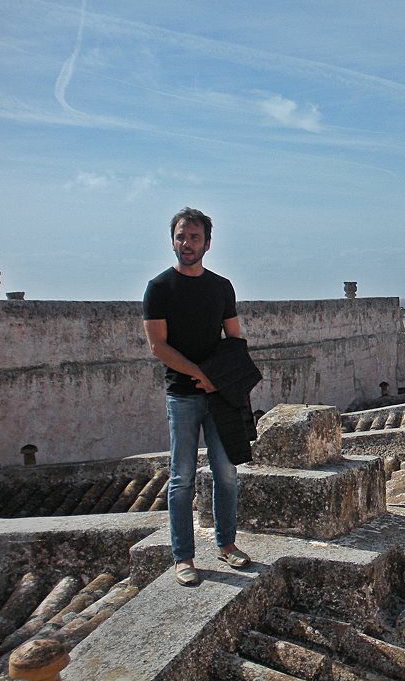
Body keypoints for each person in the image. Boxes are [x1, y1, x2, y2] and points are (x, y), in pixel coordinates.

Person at [142, 207, 251, 586]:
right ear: (171, 239)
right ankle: (183, 557)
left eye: (193, 237)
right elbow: (158, 346)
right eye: (180, 236)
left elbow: (235, 339)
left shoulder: (221, 287)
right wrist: (201, 375)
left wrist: (218, 379)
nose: (186, 244)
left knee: (227, 473)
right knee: (181, 478)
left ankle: (227, 544)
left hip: (218, 395)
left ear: (207, 241)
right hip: (183, 396)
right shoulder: (159, 288)